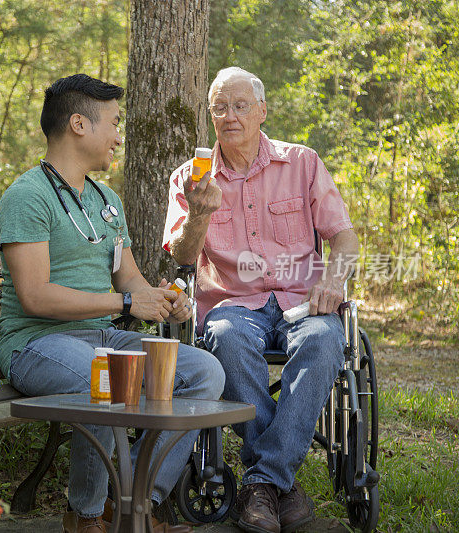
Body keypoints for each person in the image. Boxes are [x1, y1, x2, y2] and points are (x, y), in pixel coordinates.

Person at [0, 73, 225, 533]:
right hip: (37, 343)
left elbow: (131, 277)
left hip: (102, 338)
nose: (118, 137)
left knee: (204, 373)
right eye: (114, 124)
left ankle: (133, 503)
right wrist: (124, 301)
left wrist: (162, 300)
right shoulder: (27, 196)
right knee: (103, 379)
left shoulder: (107, 200)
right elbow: (35, 296)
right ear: (79, 125)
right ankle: (85, 516)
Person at [162, 67, 360, 533]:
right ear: (211, 115)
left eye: (240, 106)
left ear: (262, 111)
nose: (230, 116)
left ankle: (261, 483)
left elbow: (345, 239)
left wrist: (333, 279)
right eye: (219, 108)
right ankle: (280, 485)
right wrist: (200, 214)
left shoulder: (303, 163)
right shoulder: (191, 178)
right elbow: (184, 259)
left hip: (303, 300)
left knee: (325, 340)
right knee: (226, 339)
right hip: (232, 303)